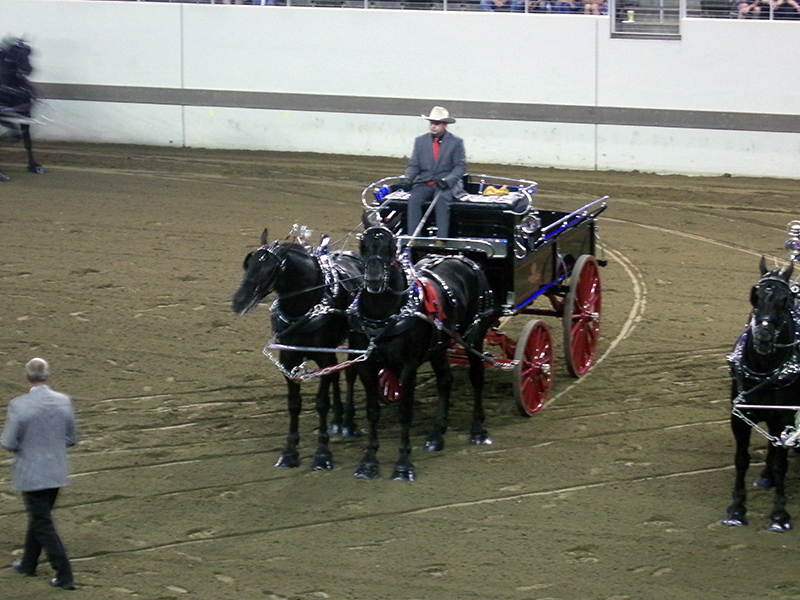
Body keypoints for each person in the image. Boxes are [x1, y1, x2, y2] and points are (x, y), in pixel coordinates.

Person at [2, 358, 78, 591]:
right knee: (39, 517)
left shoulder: (20, 405)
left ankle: (64, 574)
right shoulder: (64, 401)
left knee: (42, 522)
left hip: (31, 472)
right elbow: (71, 438)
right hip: (56, 470)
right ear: (48, 375)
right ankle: (28, 563)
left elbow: (8, 442)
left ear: (27, 377)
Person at [401, 106, 466, 239]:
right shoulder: (420, 141)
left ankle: (442, 239)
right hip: (424, 183)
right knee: (414, 199)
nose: (433, 126)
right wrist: (408, 178)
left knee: (441, 200)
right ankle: (413, 238)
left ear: (445, 125)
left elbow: (459, 167)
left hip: (446, 184)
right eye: (432, 123)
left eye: (437, 124)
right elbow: (414, 165)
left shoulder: (456, 142)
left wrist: (447, 181)